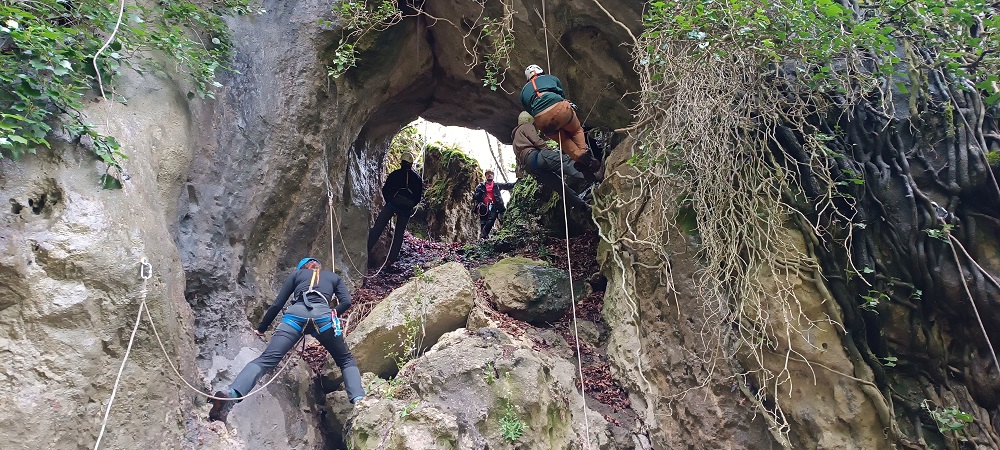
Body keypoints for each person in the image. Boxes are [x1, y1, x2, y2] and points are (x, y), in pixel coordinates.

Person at [209, 257, 365, 422]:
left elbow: (277, 304)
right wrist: (333, 313)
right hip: (324, 319)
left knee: (266, 360)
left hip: (294, 318)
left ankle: (232, 393)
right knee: (345, 360)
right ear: (318, 266)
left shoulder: (296, 275)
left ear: (301, 268)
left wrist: (261, 329)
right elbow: (346, 301)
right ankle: (359, 400)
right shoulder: (333, 277)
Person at [520, 64, 602, 178]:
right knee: (576, 130)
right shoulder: (551, 78)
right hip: (560, 109)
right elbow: (561, 96)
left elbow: (530, 110)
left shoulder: (523, 92)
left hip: (542, 121)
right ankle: (584, 154)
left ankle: (579, 159)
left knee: (563, 140)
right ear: (541, 72)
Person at [511, 111, 592, 211]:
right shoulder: (526, 126)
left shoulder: (515, 140)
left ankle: (582, 206)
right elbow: (536, 140)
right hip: (536, 156)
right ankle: (593, 174)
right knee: (565, 162)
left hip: (531, 167)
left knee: (559, 186)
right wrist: (548, 149)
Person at [367, 151, 423, 268]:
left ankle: (366, 248)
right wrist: (408, 205)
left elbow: (385, 189)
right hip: (407, 207)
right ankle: (391, 260)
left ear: (401, 162)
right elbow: (418, 197)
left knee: (379, 226)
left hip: (393, 203)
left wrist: (391, 202)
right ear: (411, 164)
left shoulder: (394, 174)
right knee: (399, 233)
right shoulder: (417, 178)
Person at [472, 169, 515, 239]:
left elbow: (507, 185)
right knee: (483, 221)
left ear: (493, 176)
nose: (490, 175)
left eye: (491, 174)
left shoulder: (496, 185)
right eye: (488, 174)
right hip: (483, 206)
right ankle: (484, 238)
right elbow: (475, 196)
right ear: (485, 176)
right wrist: (479, 203)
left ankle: (483, 234)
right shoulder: (480, 186)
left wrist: (516, 183)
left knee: (492, 219)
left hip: (494, 206)